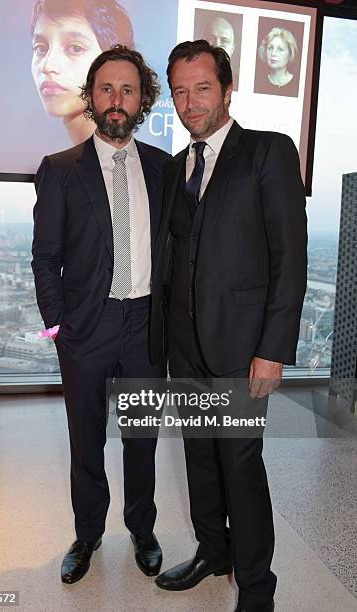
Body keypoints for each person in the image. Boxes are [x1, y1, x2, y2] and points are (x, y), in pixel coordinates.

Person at [150, 40, 307, 612]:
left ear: (227, 89)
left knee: (240, 464)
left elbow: (290, 258)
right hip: (185, 345)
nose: (190, 102)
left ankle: (257, 587)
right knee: (198, 455)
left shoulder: (268, 153)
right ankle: (212, 551)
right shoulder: (175, 167)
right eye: (180, 91)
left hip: (243, 349)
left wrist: (273, 349)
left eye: (202, 88)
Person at [31, 44, 170, 585]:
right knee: (85, 438)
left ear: (142, 100)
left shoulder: (163, 168)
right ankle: (87, 533)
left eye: (128, 90)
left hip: (144, 326)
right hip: (85, 329)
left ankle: (142, 527)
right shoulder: (60, 170)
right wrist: (58, 325)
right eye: (107, 88)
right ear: (91, 98)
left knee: (142, 437)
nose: (117, 100)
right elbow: (46, 258)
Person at [31, 0, 134, 144]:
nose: (48, 66)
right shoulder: (54, 163)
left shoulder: (150, 161)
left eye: (75, 48)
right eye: (41, 48)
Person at [198, 12, 240, 90]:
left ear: (232, 49)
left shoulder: (240, 84)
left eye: (224, 41)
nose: (217, 45)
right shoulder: (190, 78)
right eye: (211, 39)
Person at [256, 27, 299, 97]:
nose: (273, 53)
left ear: (290, 53)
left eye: (280, 49)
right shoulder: (258, 82)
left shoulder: (298, 84)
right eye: (270, 48)